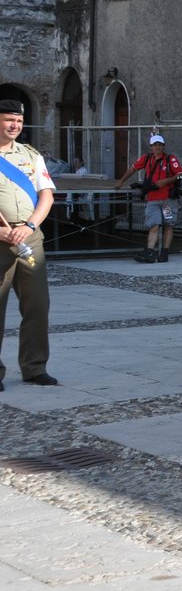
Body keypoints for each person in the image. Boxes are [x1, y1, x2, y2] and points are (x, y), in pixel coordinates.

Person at [0, 98, 56, 388]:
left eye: (19, 121)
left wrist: (31, 224)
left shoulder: (31, 155)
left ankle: (34, 367)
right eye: (9, 120)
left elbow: (46, 195)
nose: (15, 126)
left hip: (29, 238)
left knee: (37, 306)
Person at [114, 134, 182, 263]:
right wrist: (121, 181)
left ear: (163, 146)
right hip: (152, 199)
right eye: (155, 145)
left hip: (167, 199)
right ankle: (150, 251)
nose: (157, 147)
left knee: (168, 224)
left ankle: (164, 252)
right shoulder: (146, 158)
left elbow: (181, 175)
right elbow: (133, 168)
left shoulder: (170, 159)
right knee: (154, 224)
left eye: (160, 145)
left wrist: (166, 181)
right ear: (151, 147)